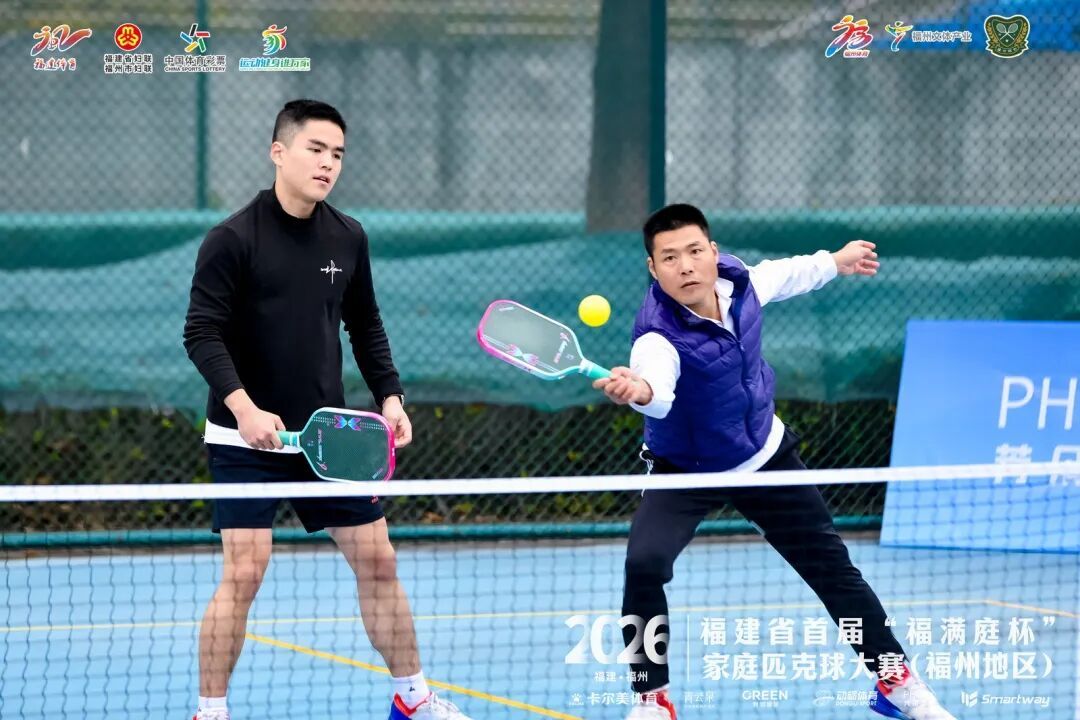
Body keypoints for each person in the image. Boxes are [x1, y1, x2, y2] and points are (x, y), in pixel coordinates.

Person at [593, 204, 956, 720]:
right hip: (686, 468)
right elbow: (660, 391)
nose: (686, 266)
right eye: (670, 258)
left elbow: (784, 275)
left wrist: (835, 261)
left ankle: (896, 682)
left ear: (713, 252)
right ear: (653, 268)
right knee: (644, 564)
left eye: (695, 251)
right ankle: (653, 699)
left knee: (831, 567)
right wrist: (640, 391)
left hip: (764, 454)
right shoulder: (656, 336)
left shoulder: (739, 281)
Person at [183, 99, 470, 720]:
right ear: (278, 152)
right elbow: (201, 333)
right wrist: (245, 409)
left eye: (337, 154)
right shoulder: (231, 239)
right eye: (315, 149)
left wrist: (390, 398)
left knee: (379, 560)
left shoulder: (348, 235)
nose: (328, 163)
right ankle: (211, 711)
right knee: (245, 570)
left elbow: (365, 325)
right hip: (244, 438)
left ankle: (413, 699)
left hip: (327, 437)